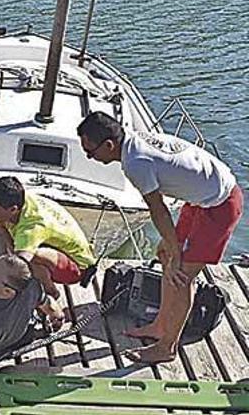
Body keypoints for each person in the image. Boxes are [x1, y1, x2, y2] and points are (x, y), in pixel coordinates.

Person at [77, 111, 243, 364]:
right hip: (200, 199)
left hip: (220, 205)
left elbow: (158, 208)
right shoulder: (131, 140)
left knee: (181, 277)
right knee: (166, 257)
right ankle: (160, 325)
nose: (90, 157)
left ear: (109, 145)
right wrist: (170, 247)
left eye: (90, 152)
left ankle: (167, 347)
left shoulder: (135, 163)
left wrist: (177, 251)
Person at [0, 177, 95, 300]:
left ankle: (50, 292)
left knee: (27, 259)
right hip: (51, 248)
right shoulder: (18, 200)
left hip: (76, 268)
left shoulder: (32, 228)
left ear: (13, 209)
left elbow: (16, 267)